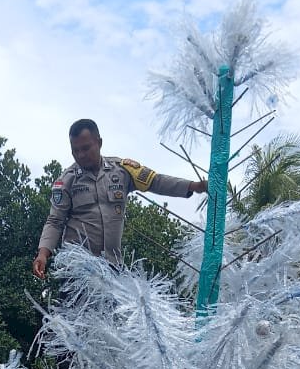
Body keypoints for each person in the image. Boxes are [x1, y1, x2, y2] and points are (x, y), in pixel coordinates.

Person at [33, 118, 207, 277]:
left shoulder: (122, 170)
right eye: (75, 151)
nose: (81, 155)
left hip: (113, 267)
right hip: (78, 270)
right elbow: (55, 221)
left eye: (86, 148)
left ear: (99, 143)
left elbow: (156, 181)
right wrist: (43, 253)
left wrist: (193, 186)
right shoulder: (66, 181)